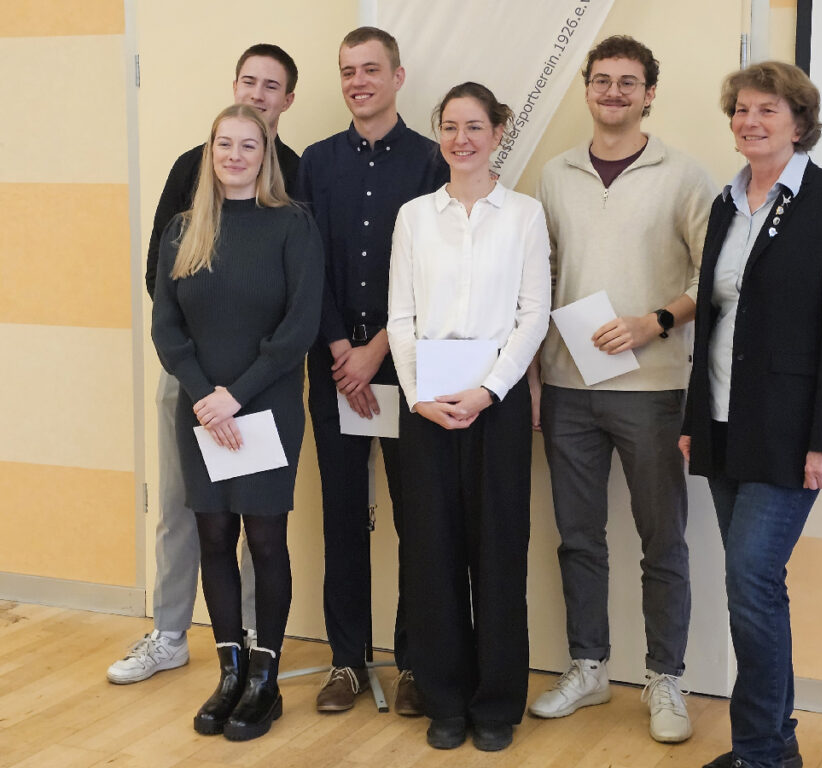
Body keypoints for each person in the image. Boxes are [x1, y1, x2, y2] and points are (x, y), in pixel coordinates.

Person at [679, 61, 822, 768]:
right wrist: (692, 420)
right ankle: (774, 746)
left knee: (751, 581)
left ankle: (762, 752)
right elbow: (712, 321)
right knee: (756, 586)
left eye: (767, 109)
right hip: (723, 421)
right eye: (741, 109)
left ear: (799, 122)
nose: (750, 121)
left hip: (792, 434)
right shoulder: (726, 203)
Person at [527, 35, 715, 744]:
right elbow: (540, 279)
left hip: (653, 389)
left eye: (627, 82)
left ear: (649, 93)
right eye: (601, 80)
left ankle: (666, 678)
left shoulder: (684, 175)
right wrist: (536, 378)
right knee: (578, 538)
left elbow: (712, 276)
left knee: (662, 541)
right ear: (587, 88)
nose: (613, 92)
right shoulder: (555, 174)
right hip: (567, 388)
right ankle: (589, 667)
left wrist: (654, 321)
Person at [108, 43, 301, 685]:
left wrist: (237, 391)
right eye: (248, 81)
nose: (257, 94)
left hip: (262, 390)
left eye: (270, 86)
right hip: (192, 383)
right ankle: (171, 636)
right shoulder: (189, 176)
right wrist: (201, 384)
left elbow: (297, 304)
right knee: (187, 514)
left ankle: (253, 654)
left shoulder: (295, 187)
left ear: (286, 101)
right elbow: (160, 283)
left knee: (258, 529)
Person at [387, 82, 550, 752]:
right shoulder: (413, 217)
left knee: (499, 553)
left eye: (475, 126)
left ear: (498, 133)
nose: (461, 139)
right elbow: (401, 317)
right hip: (426, 406)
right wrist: (418, 394)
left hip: (496, 406)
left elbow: (533, 315)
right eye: (450, 127)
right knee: (432, 555)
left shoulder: (525, 216)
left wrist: (489, 390)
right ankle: (445, 698)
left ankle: (496, 703)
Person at [152, 104, 323, 741]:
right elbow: (167, 327)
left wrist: (235, 397)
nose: (234, 155)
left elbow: (298, 327)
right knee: (214, 536)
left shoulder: (292, 225)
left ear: (264, 154)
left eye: (248, 145)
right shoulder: (183, 229)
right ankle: (230, 672)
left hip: (265, 408)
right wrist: (205, 397)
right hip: (201, 412)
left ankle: (264, 679)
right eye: (224, 144)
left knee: (266, 539)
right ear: (210, 151)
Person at [298, 26, 447, 717]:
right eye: (347, 71)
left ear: (397, 76)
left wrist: (376, 351)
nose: (358, 82)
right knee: (342, 517)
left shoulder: (431, 161)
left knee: (417, 517)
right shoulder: (315, 162)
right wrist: (340, 348)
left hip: (405, 367)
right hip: (334, 370)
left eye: (370, 69)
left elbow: (434, 273)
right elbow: (307, 265)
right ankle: (346, 661)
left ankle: (415, 661)